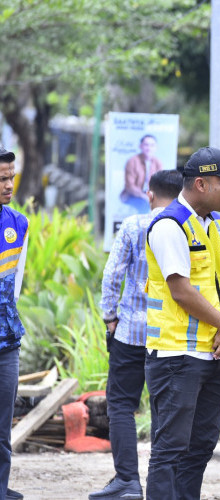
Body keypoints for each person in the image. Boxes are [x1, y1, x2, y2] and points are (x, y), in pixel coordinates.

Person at [144, 147, 220, 500]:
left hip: (211, 354)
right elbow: (181, 292)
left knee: (202, 444)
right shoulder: (169, 225)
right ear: (201, 184)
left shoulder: (217, 227)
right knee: (171, 448)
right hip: (176, 357)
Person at [90, 170, 183, 500]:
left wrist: (110, 319)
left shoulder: (134, 225)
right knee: (165, 411)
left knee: (120, 405)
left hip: (130, 333)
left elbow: (112, 275)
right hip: (171, 336)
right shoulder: (190, 226)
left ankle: (127, 480)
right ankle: (164, 484)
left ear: (149, 194)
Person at [0, 147, 28, 500]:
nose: (9, 185)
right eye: (1, 179)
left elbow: (15, 286)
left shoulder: (19, 223)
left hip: (7, 343)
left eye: (11, 177)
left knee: (2, 427)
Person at [120, 135, 164, 213]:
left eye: (152, 145)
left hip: (151, 196)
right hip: (133, 195)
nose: (149, 148)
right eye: (146, 145)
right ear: (141, 146)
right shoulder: (132, 161)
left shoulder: (158, 163)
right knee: (144, 205)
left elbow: (160, 184)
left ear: (155, 147)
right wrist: (144, 197)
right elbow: (130, 186)